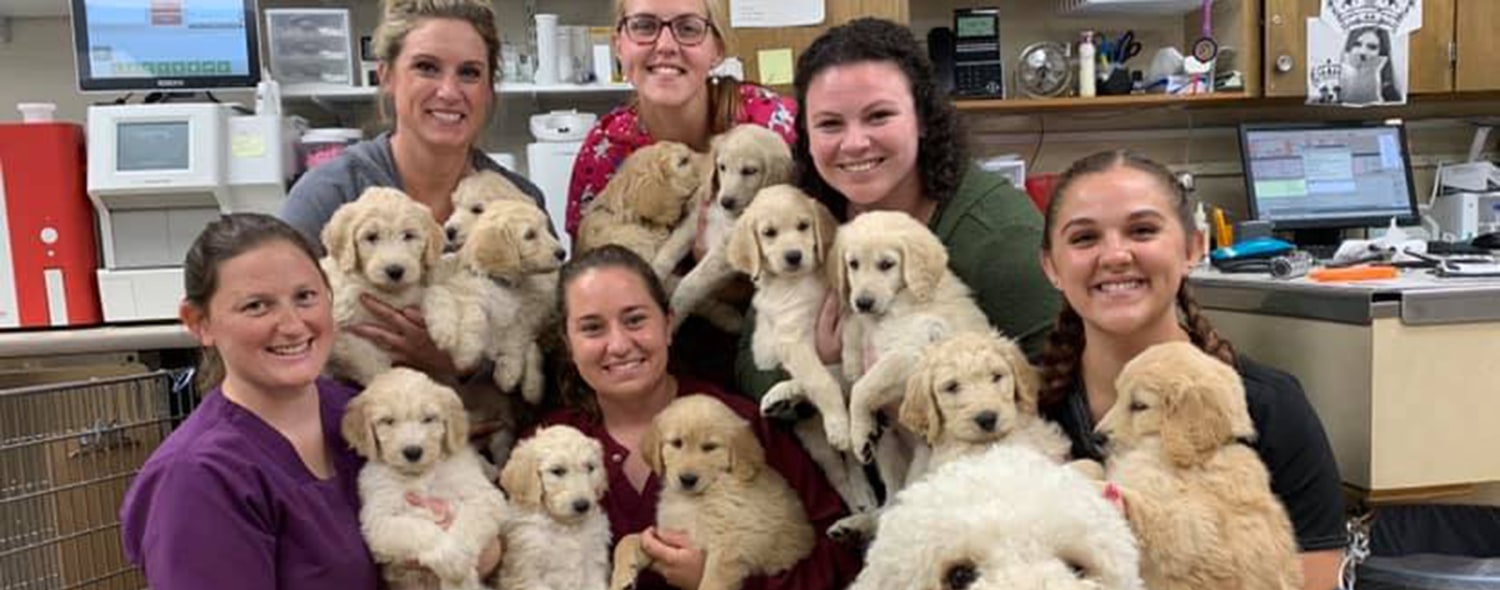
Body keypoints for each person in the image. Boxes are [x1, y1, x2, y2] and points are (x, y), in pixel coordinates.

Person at [119, 214, 482, 590]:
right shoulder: (199, 478)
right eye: (256, 306)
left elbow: (468, 528)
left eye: (306, 297)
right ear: (199, 322)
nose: (292, 325)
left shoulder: (360, 418)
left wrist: (468, 541)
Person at [1034, 150, 1355, 590]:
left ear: (1193, 247)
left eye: (1143, 230)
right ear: (1051, 266)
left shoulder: (1269, 413)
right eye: (1084, 238)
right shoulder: (1023, 421)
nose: (1115, 254)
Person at [498, 245, 861, 590]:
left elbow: (839, 556)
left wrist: (727, 584)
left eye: (635, 320)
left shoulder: (737, 424)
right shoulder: (549, 447)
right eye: (592, 328)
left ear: (668, 324)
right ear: (568, 343)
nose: (618, 345)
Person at [736, 17, 1060, 400]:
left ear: (922, 119)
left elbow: (1055, 385)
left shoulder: (998, 236)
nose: (854, 143)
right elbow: (748, 366)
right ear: (806, 136)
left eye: (879, 116)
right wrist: (815, 369)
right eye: (829, 124)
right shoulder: (806, 220)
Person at [280, 0, 547, 382]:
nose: (449, 91)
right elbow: (282, 337)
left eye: (470, 73)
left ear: (489, 88)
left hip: (488, 427)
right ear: (387, 75)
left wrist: (455, 372)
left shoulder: (517, 203)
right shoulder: (330, 196)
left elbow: (545, 337)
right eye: (426, 67)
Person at [563, 0, 796, 239]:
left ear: (717, 49)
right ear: (619, 47)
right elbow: (588, 267)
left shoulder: (773, 123)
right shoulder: (604, 150)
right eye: (644, 26)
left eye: (688, 28)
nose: (666, 46)